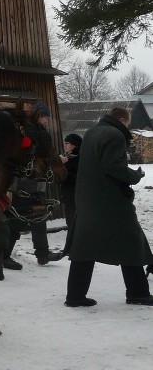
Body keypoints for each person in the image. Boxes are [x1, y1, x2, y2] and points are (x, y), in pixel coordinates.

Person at [65, 107, 153, 307]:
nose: (129, 127)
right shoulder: (115, 135)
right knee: (131, 242)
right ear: (122, 119)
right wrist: (135, 176)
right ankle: (138, 293)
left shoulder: (91, 132)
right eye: (128, 124)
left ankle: (75, 296)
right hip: (111, 201)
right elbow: (112, 167)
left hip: (87, 199)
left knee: (84, 248)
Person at [4, 101, 63, 268]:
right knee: (16, 217)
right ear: (37, 115)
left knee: (38, 215)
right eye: (44, 116)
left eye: (47, 117)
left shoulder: (38, 130)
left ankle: (43, 254)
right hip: (23, 181)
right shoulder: (27, 130)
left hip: (35, 180)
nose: (46, 120)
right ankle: (4, 255)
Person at [59, 133, 82, 257]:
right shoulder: (72, 156)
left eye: (67, 143)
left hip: (75, 195)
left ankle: (73, 248)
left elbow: (77, 177)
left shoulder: (79, 158)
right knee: (71, 221)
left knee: (73, 222)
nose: (65, 145)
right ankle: (71, 247)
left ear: (74, 145)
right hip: (70, 194)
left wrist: (64, 165)